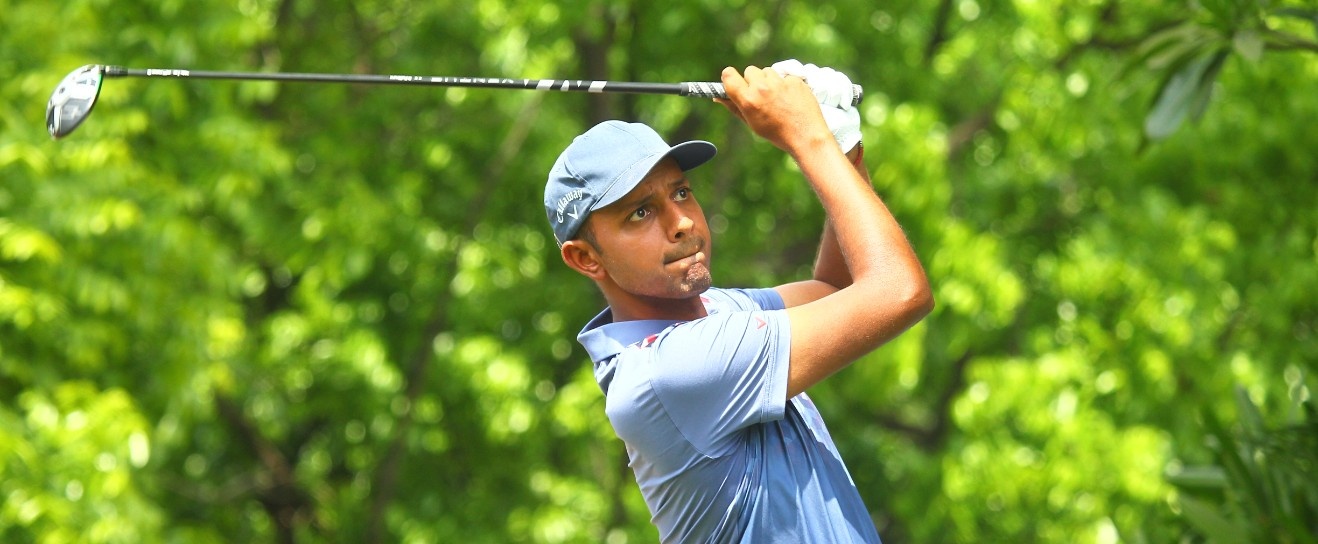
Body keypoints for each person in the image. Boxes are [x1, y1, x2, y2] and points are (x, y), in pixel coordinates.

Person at [542, 60, 933, 543]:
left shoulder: (717, 313)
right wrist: (807, 138)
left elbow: (839, 288)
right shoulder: (669, 371)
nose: (682, 222)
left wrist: (842, 147)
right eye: (640, 213)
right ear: (585, 258)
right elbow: (898, 292)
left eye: (681, 192)